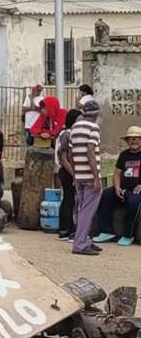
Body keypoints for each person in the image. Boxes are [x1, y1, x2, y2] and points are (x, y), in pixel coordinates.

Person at [93, 126, 141, 247]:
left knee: (134, 202)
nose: (133, 141)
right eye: (130, 139)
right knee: (105, 195)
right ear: (127, 141)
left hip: (137, 191)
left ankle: (128, 235)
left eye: (136, 138)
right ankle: (106, 231)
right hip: (123, 189)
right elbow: (117, 173)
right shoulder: (124, 155)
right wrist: (117, 187)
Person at [69, 100, 103, 256]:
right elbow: (90, 151)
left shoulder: (75, 128)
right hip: (90, 176)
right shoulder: (94, 127)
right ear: (96, 114)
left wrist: (75, 174)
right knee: (87, 211)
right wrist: (96, 178)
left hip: (79, 175)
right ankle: (80, 244)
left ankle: (84, 239)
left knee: (82, 209)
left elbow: (70, 154)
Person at [55, 108, 82, 241]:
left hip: (70, 171)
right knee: (69, 199)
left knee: (69, 199)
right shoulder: (67, 134)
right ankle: (66, 230)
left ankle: (66, 229)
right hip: (67, 172)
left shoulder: (70, 133)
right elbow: (64, 159)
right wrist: (74, 174)